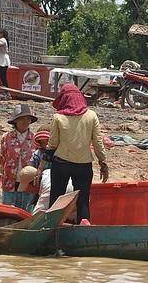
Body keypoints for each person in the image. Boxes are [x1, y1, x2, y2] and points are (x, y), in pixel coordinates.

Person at [47, 84, 108, 223]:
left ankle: (52, 227)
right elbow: (98, 142)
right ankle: (83, 228)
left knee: (56, 198)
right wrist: (102, 162)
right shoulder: (91, 116)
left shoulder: (58, 117)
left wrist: (43, 163)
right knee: (83, 200)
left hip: (61, 163)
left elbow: (52, 143)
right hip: (83, 165)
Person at [0, 104, 38, 211]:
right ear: (15, 121)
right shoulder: (6, 137)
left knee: (26, 213)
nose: (25, 122)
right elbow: (2, 160)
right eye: (21, 118)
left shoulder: (35, 139)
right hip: (10, 182)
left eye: (27, 119)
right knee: (8, 212)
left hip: (29, 184)